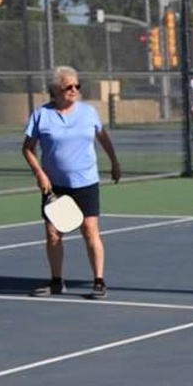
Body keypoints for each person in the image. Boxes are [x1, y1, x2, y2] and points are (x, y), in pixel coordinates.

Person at [22, 66, 122, 300]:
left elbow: (103, 137)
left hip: (86, 181)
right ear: (56, 90)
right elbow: (27, 148)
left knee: (90, 230)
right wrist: (40, 173)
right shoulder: (41, 115)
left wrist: (115, 162)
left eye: (77, 86)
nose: (74, 90)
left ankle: (99, 281)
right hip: (55, 185)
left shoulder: (88, 113)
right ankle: (56, 282)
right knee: (53, 234)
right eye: (69, 87)